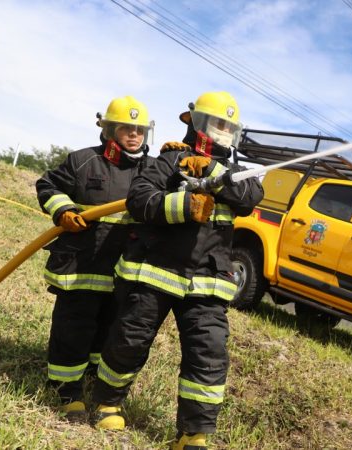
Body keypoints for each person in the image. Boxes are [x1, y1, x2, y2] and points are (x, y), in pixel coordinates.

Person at [90, 91, 264, 450]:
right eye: (218, 124)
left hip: (208, 283)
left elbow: (249, 198)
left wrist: (215, 171)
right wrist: (184, 204)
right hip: (154, 271)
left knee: (209, 354)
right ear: (197, 123)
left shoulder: (236, 174)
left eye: (230, 127)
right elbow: (140, 201)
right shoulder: (169, 161)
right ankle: (107, 401)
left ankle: (193, 434)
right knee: (130, 340)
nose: (225, 132)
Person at [35, 95, 153, 421]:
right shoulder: (83, 161)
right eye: (126, 128)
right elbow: (48, 185)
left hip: (122, 271)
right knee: (73, 327)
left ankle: (91, 377)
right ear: (109, 129)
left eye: (140, 129)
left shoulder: (152, 170)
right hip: (82, 265)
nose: (134, 135)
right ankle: (66, 391)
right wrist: (63, 210)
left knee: (109, 330)